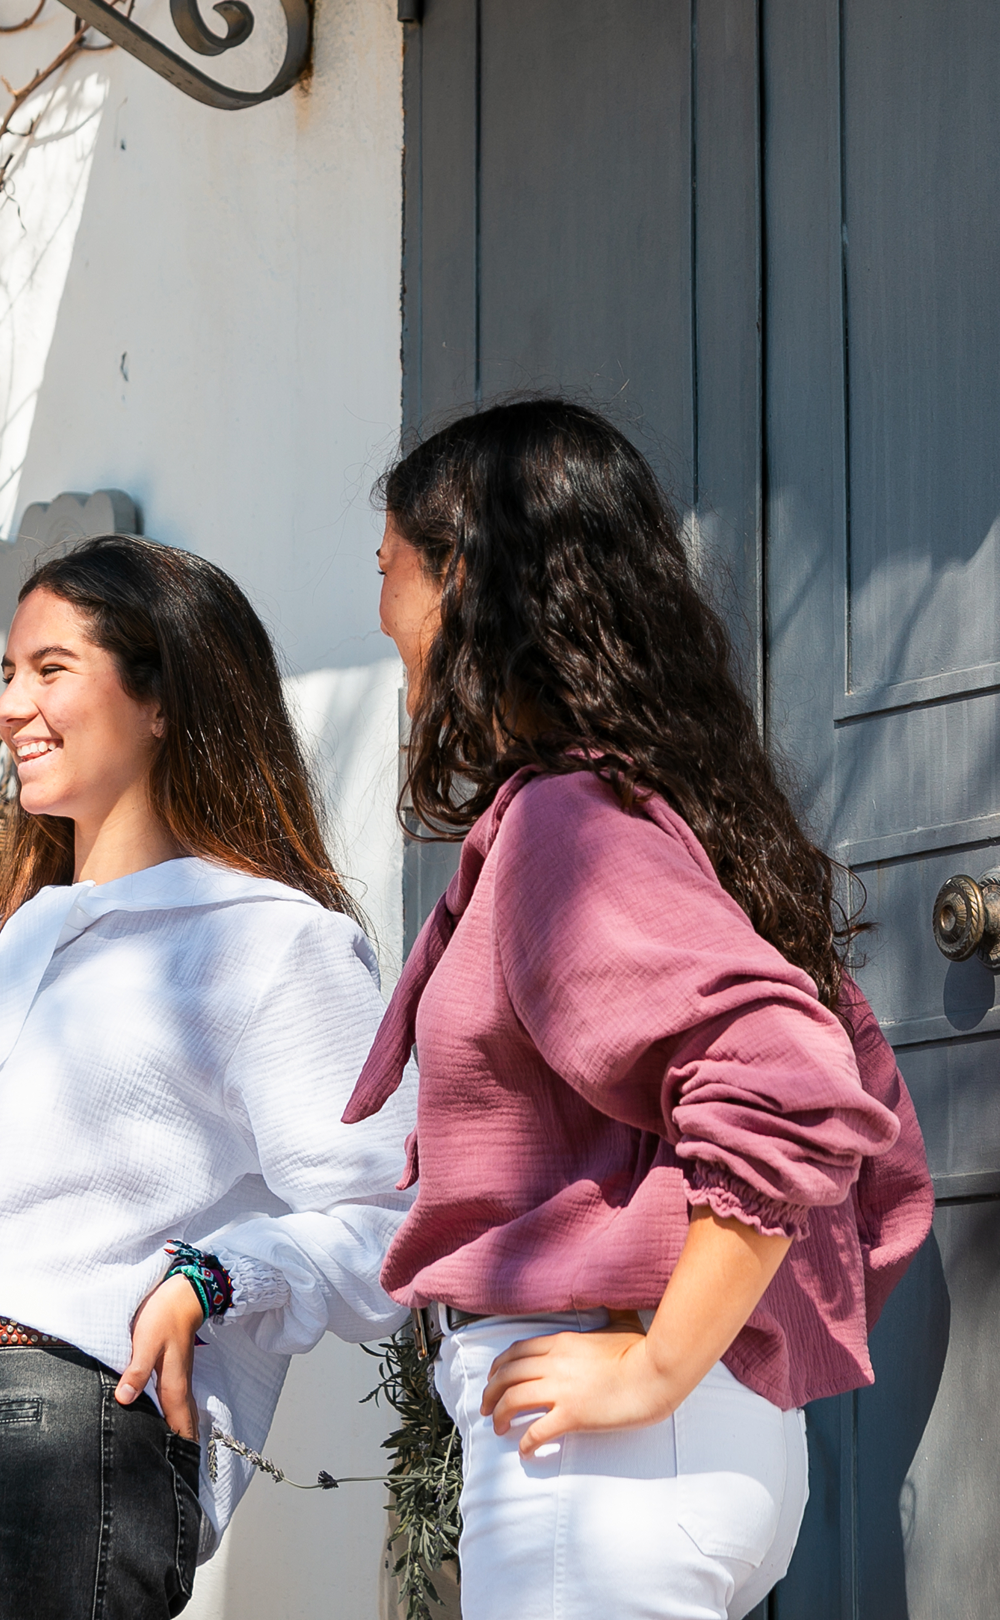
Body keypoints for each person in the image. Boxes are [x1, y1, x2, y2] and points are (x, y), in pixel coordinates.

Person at [343, 398, 935, 1620]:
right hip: (664, 1447)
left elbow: (789, 1082)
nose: (381, 612)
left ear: (469, 585)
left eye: (391, 571)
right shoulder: (662, 815)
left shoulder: (570, 828)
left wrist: (661, 1361)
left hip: (609, 1456)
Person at [0, 534, 415, 1620]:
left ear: (163, 696)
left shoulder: (265, 941)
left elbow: (391, 1216)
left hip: (59, 1437)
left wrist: (220, 1274)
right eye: (9, 673)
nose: (11, 704)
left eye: (51, 670)